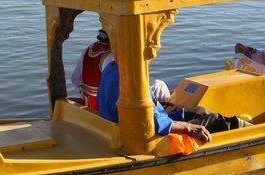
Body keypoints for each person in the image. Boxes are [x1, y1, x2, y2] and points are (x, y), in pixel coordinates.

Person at [97, 60, 249, 143]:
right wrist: (189, 128)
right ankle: (252, 135)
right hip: (151, 135)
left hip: (128, 126)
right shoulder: (132, 78)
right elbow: (154, 123)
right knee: (216, 120)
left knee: (200, 111)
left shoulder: (111, 68)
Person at [72, 29, 170, 111]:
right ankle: (167, 115)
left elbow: (75, 79)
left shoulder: (89, 49)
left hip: (90, 103)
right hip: (110, 108)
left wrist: (86, 97)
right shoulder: (114, 56)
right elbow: (124, 87)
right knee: (159, 85)